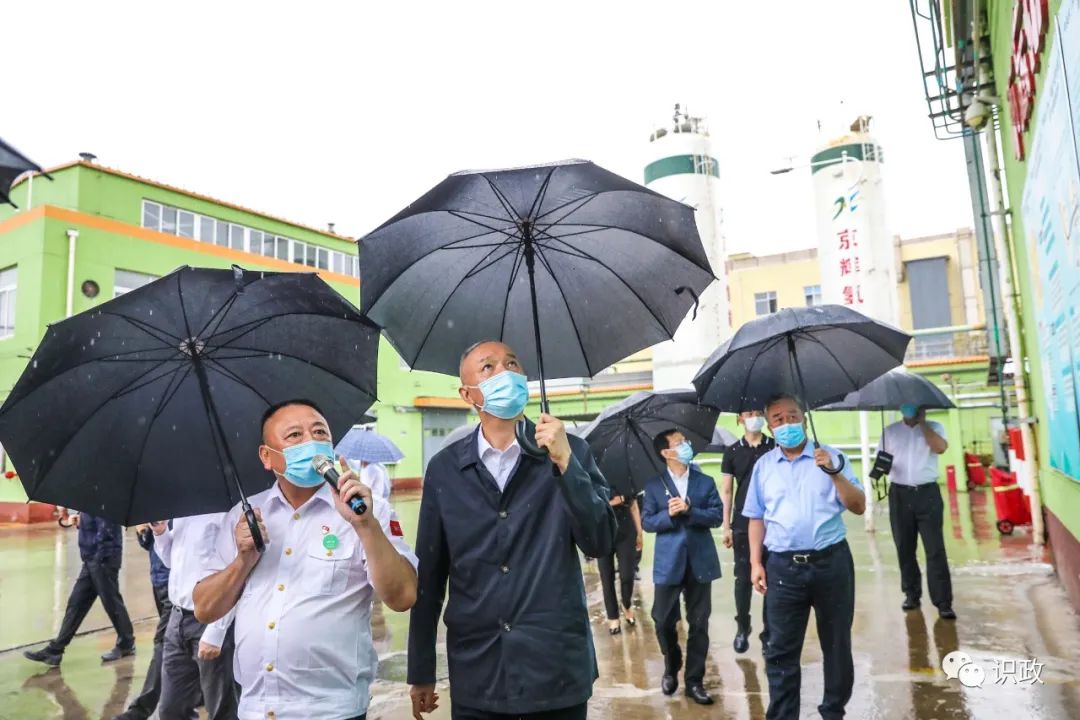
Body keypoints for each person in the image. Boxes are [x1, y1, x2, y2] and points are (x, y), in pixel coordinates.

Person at [408, 341, 616, 720]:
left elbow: (600, 541)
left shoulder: (573, 452)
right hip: (479, 674)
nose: (504, 372)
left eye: (512, 364)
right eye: (488, 367)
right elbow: (430, 579)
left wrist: (566, 464)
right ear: (467, 393)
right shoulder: (445, 470)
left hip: (556, 673)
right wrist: (421, 671)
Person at [194, 399, 418, 720]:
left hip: (331, 711)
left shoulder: (368, 510)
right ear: (267, 457)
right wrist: (243, 561)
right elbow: (205, 608)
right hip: (257, 709)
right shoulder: (243, 519)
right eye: (295, 435)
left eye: (319, 432)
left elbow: (403, 596)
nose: (311, 442)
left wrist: (365, 526)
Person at [743, 393, 866, 720]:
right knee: (780, 650)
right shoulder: (764, 467)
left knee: (836, 643)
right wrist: (756, 563)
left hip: (832, 563)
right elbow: (756, 517)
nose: (786, 424)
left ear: (804, 417)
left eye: (792, 416)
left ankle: (833, 711)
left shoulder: (832, 457)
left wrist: (835, 473)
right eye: (778, 419)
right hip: (783, 568)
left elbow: (858, 506)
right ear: (770, 426)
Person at [641, 428, 723, 706]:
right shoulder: (653, 486)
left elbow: (717, 516)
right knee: (662, 620)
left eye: (686, 441)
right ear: (666, 453)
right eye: (680, 443)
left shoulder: (704, 482)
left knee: (699, 624)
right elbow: (648, 522)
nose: (687, 445)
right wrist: (669, 514)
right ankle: (671, 660)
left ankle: (694, 681)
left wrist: (690, 510)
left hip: (701, 562)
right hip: (669, 563)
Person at [152, 514, 237, 720]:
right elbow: (173, 561)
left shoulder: (227, 512)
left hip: (210, 620)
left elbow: (236, 574)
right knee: (171, 709)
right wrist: (161, 532)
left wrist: (216, 631)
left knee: (221, 709)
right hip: (177, 619)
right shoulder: (185, 509)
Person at [24, 512, 135, 666]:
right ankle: (56, 650)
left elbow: (106, 530)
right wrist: (80, 522)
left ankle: (126, 643)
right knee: (76, 603)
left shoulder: (105, 497)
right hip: (91, 558)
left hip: (102, 559)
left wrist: (99, 557)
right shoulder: (90, 497)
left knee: (111, 603)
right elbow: (93, 525)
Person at [882, 403, 954, 619]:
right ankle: (911, 594)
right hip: (899, 494)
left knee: (935, 549)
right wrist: (880, 468)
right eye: (905, 405)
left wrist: (922, 423)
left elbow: (940, 448)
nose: (909, 408)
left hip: (927, 494)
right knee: (904, 547)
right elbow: (882, 460)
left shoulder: (935, 426)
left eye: (914, 405)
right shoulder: (890, 431)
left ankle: (943, 602)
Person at [720, 410, 776, 654]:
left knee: (773, 577)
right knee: (743, 578)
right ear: (739, 420)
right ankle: (743, 626)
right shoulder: (732, 452)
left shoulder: (774, 446)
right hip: (742, 523)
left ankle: (770, 632)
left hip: (773, 522)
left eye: (757, 413)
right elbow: (727, 491)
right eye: (748, 414)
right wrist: (726, 526)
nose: (754, 417)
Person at [111, 523, 172, 720]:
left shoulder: (185, 504)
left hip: (177, 586)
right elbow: (149, 545)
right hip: (159, 581)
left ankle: (142, 708)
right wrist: (144, 531)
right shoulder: (154, 500)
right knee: (176, 643)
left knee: (162, 642)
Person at [596, 472, 643, 635]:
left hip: (625, 528)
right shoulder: (591, 473)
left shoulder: (624, 472)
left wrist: (639, 532)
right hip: (602, 529)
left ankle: (627, 604)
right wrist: (612, 501)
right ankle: (613, 617)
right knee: (606, 576)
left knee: (627, 574)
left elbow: (634, 505)